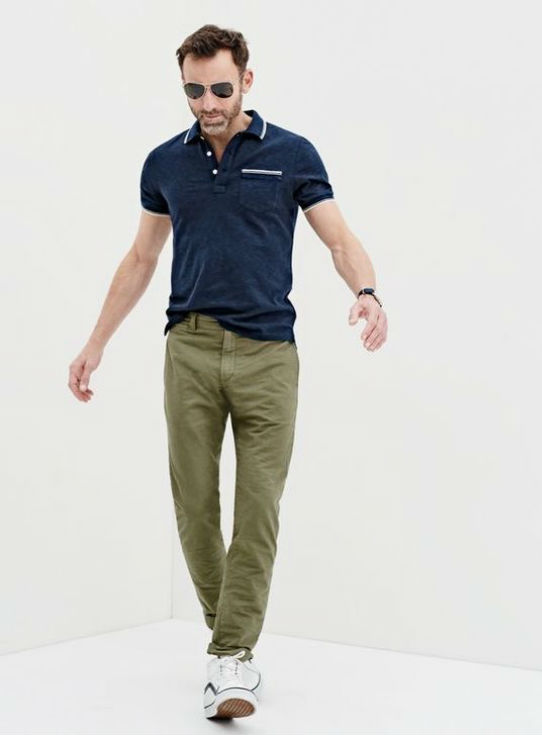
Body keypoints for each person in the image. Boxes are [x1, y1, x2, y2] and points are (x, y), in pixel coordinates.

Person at [68, 23, 388, 720]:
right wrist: (96, 342)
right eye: (194, 90)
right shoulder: (165, 163)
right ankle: (232, 647)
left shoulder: (292, 153)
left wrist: (366, 291)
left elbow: (339, 238)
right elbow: (141, 259)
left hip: (270, 355)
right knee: (194, 508)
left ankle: (230, 656)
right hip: (188, 348)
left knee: (257, 508)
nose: (207, 103)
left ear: (246, 80)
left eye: (219, 88)